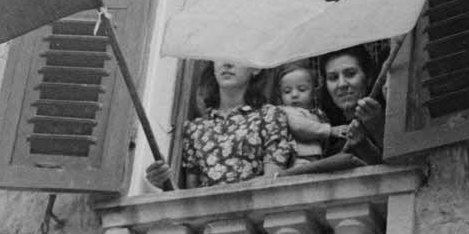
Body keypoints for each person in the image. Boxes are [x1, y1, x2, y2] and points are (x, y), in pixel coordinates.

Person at [145, 60, 292, 190]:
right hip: (207, 219)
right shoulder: (195, 128)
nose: (227, 63)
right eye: (220, 56)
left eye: (236, 55)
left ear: (255, 68)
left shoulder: (270, 116)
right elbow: (190, 199)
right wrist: (165, 182)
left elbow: (271, 183)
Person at [274, 59, 349, 167]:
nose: (294, 94)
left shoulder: (317, 113)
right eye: (287, 91)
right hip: (297, 159)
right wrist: (330, 130)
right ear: (280, 95)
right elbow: (299, 126)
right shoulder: (285, 111)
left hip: (317, 158)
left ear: (314, 91)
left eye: (302, 89)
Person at [318, 45, 385, 165]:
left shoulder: (386, 116)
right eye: (333, 78)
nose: (342, 84)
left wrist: (378, 128)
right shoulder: (322, 126)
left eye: (350, 74)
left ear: (368, 77)